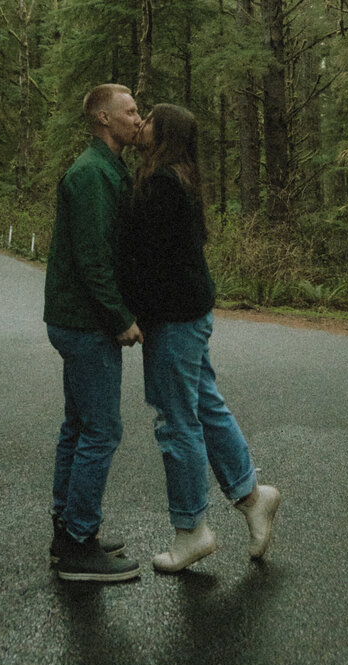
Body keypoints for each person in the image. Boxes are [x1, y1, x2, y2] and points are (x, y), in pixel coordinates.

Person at [117, 103, 281, 573]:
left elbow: (149, 263)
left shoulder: (162, 185)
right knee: (203, 404)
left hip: (173, 318)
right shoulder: (178, 178)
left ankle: (192, 531)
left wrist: (133, 316)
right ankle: (252, 497)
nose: (140, 122)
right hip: (189, 312)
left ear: (163, 131)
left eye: (147, 117)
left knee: (176, 420)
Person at [44, 83, 144, 583]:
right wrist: (119, 318)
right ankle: (80, 543)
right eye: (129, 112)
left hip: (77, 320)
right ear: (103, 119)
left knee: (79, 427)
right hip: (85, 323)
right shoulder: (91, 175)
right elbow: (92, 257)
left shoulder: (107, 169)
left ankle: (68, 533)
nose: (137, 118)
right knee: (101, 430)